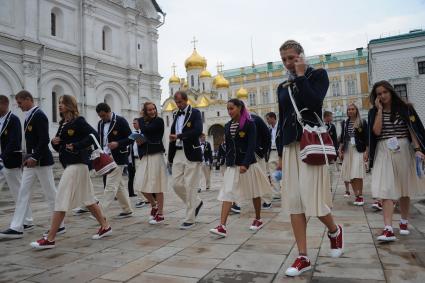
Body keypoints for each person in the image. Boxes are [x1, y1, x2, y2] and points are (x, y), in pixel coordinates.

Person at [277, 40, 343, 277]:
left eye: (292, 58)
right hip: (291, 146)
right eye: (284, 59)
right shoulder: (282, 85)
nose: (288, 63)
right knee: (294, 201)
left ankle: (334, 231)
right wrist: (279, 153)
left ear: (301, 56)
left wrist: (302, 75)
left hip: (311, 144)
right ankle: (302, 256)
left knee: (312, 200)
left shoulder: (318, 75)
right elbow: (283, 118)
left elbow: (314, 102)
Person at [30, 95, 111, 249]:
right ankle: (105, 226)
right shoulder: (62, 124)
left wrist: (77, 145)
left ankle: (51, 238)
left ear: (70, 105)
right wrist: (56, 143)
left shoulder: (78, 121)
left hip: (77, 164)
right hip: (70, 164)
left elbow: (94, 136)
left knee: (61, 198)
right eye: (59, 103)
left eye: (63, 103)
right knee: (89, 199)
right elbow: (61, 147)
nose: (59, 105)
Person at [0, 90, 65, 239]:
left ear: (28, 99)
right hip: (31, 162)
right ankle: (16, 227)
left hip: (42, 162)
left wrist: (34, 157)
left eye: (20, 102)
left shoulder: (39, 115)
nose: (19, 106)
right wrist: (27, 157)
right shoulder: (29, 116)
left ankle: (60, 225)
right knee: (23, 193)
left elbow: (44, 140)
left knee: (50, 194)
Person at [368, 80, 425, 242]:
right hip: (383, 150)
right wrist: (379, 111)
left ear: (391, 92)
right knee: (385, 188)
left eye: (385, 92)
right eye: (379, 94)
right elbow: (376, 132)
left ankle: (404, 221)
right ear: (376, 97)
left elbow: (412, 130)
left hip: (403, 148)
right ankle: (388, 228)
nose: (382, 96)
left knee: (403, 188)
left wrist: (418, 149)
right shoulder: (374, 112)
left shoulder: (405, 108)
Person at [209, 99, 271, 237]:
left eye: (232, 108)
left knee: (255, 192)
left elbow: (251, 145)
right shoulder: (227, 126)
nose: (229, 111)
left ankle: (258, 219)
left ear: (239, 108)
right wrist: (225, 161)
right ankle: (222, 226)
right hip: (232, 165)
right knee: (227, 193)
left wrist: (246, 163)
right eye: (228, 109)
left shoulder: (250, 124)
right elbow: (229, 146)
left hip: (248, 164)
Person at [168, 91, 204, 229]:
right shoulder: (176, 114)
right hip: (177, 152)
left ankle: (190, 218)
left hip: (191, 152)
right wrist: (170, 157)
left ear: (186, 100)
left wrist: (179, 136)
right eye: (176, 102)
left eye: (180, 102)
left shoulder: (195, 112)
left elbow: (198, 130)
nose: (178, 105)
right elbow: (172, 134)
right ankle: (197, 202)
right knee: (176, 184)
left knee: (191, 185)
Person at [0, 95, 33, 230]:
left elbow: (14, 141)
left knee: (18, 191)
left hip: (10, 160)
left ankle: (27, 220)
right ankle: (27, 219)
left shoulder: (13, 120)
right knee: (19, 191)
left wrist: (2, 157)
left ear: (3, 104)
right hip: (2, 161)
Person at [96, 103, 133, 218]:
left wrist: (118, 143)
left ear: (109, 111)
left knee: (110, 184)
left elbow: (131, 138)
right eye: (100, 116)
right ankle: (127, 210)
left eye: (104, 116)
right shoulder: (100, 123)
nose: (102, 118)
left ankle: (100, 212)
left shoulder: (121, 121)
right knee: (119, 185)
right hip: (106, 157)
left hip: (119, 157)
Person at [134, 102, 167, 224]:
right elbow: (145, 135)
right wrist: (139, 141)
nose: (153, 111)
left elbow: (148, 130)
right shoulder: (145, 122)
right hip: (146, 156)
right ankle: (154, 205)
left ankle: (161, 214)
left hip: (156, 156)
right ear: (146, 111)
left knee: (157, 186)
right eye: (149, 110)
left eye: (154, 109)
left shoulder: (159, 121)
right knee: (139, 183)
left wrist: (140, 119)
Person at [339, 104, 368, 206]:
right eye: (348, 109)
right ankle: (357, 195)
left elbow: (366, 138)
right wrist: (340, 150)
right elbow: (343, 137)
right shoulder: (345, 123)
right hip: (348, 150)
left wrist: (366, 151)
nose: (350, 111)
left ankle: (360, 195)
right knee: (350, 174)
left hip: (358, 150)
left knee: (357, 173)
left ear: (356, 110)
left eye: (352, 109)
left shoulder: (362, 122)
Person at [251, 114, 273, 209]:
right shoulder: (237, 121)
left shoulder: (256, 119)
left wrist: (262, 151)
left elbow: (267, 135)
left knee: (262, 176)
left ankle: (267, 200)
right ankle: (238, 203)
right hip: (244, 154)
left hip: (257, 153)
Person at [265, 112, 281, 201]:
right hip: (272, 152)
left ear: (272, 118)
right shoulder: (269, 129)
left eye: (267, 119)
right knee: (273, 174)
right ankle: (276, 193)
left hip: (281, 152)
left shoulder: (281, 127)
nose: (267, 121)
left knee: (285, 173)